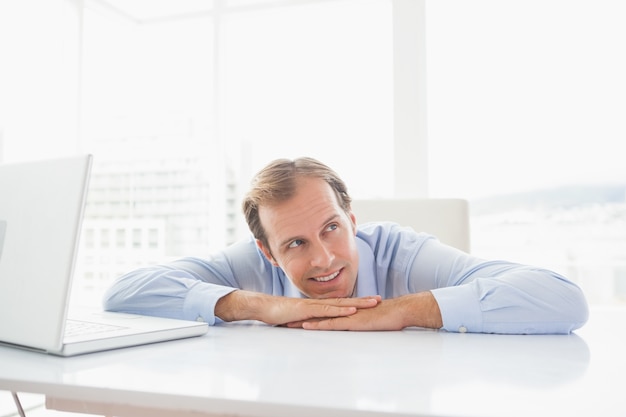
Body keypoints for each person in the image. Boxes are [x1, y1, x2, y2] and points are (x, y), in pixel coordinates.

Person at [103, 157, 589, 334]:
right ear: (268, 252)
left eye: (332, 228)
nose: (324, 258)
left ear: (352, 220)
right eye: (295, 243)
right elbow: (124, 294)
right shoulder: (252, 265)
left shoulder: (405, 254)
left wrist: (398, 311)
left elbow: (563, 298)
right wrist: (257, 306)